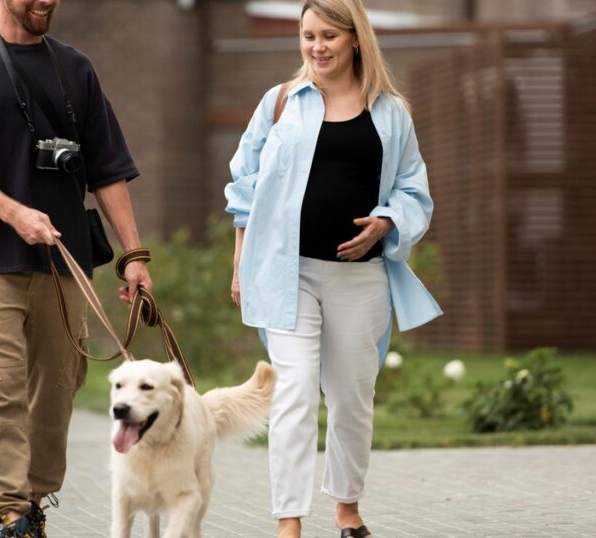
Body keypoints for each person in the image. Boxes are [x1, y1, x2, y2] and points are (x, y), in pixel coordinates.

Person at [0, 1, 150, 536]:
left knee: (56, 390)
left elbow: (108, 169)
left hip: (64, 264)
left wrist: (134, 256)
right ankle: (10, 514)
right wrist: (13, 212)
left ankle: (35, 502)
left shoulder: (77, 68)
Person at [225, 1, 442, 537]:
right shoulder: (279, 104)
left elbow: (414, 191)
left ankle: (347, 511)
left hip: (360, 278)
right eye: (307, 36)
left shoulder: (391, 112)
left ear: (353, 40)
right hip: (286, 274)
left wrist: (386, 222)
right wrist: (239, 266)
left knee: (351, 397)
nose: (316, 47)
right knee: (294, 390)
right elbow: (244, 191)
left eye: (327, 36)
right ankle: (289, 523)